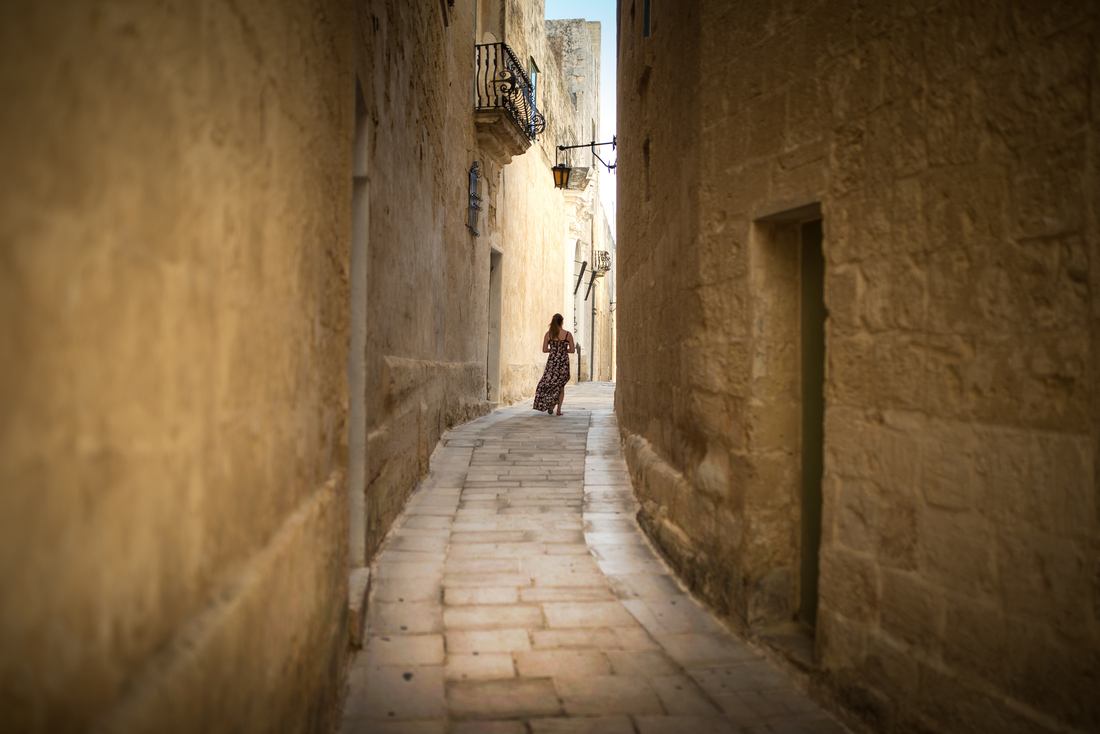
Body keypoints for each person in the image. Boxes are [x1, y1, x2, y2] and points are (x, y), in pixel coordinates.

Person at [533, 313, 575, 416]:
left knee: (549, 383)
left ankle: (550, 404)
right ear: (562, 322)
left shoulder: (548, 334)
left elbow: (544, 349)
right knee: (560, 386)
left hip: (552, 363)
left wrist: (553, 350)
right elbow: (573, 350)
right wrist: (563, 350)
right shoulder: (567, 334)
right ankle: (558, 410)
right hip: (563, 363)